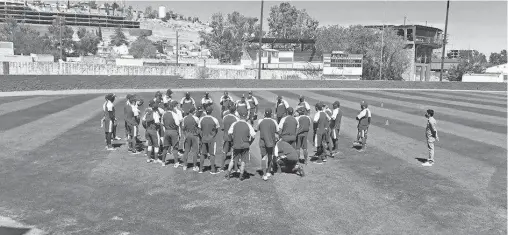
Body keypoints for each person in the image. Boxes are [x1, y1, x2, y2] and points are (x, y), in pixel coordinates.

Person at [225, 111, 256, 181]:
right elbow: (254, 135)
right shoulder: (248, 125)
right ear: (246, 117)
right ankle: (241, 176)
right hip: (245, 145)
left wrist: (232, 141)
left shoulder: (234, 124)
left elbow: (229, 133)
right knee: (243, 161)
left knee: (232, 160)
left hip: (236, 145)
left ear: (239, 116)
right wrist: (250, 142)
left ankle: (228, 175)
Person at [257, 108, 279, 181]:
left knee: (263, 157)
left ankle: (264, 174)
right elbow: (277, 131)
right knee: (270, 156)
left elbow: (258, 129)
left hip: (263, 141)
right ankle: (268, 171)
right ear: (271, 114)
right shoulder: (274, 122)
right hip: (271, 142)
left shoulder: (260, 121)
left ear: (264, 114)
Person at [199, 106, 220, 174]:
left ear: (205, 111)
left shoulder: (201, 119)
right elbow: (217, 130)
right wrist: (213, 135)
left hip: (204, 138)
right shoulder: (215, 119)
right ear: (211, 111)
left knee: (202, 153)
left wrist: (202, 136)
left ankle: (200, 169)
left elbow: (199, 130)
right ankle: (213, 170)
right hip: (211, 139)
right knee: (212, 154)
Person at [161, 102, 181, 167]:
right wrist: (178, 133)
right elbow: (177, 124)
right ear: (172, 108)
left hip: (166, 131)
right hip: (173, 131)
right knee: (175, 147)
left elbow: (162, 123)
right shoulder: (174, 114)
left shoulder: (164, 114)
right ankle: (176, 162)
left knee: (165, 147)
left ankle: (163, 162)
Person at [181, 107, 200, 171]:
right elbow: (199, 127)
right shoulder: (196, 118)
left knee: (186, 151)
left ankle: (185, 166)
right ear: (194, 112)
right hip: (194, 136)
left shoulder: (184, 118)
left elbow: (183, 128)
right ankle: (194, 166)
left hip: (187, 135)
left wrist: (185, 134)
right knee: (195, 151)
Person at [222, 105, 239, 173]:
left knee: (224, 152)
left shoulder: (225, 117)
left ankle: (222, 167)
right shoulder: (236, 119)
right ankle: (235, 167)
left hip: (226, 137)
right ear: (235, 111)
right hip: (233, 138)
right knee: (234, 153)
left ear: (229, 110)